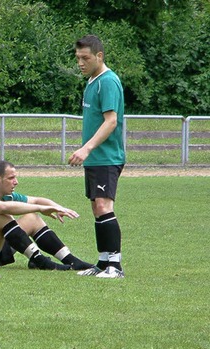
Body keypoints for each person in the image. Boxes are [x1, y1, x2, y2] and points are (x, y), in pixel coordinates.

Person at [0, 161, 93, 271]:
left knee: (32, 218)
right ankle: (41, 262)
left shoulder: (7, 195)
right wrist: (41, 208)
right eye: (11, 178)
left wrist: (58, 207)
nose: (16, 182)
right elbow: (3, 208)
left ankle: (71, 260)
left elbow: (36, 200)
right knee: (2, 216)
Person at [69, 35, 126, 279]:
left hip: (106, 156)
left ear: (99, 56)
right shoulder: (92, 81)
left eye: (86, 58)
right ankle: (103, 263)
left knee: (104, 206)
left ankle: (115, 266)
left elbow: (111, 121)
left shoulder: (108, 81)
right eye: (78, 58)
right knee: (96, 207)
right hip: (96, 159)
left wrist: (86, 148)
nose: (80, 63)